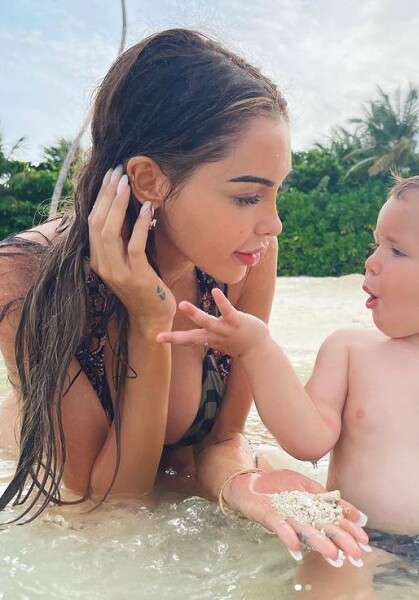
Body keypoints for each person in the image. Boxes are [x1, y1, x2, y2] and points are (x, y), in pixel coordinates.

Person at [0, 28, 369, 566]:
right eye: (247, 196)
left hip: (181, 467)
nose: (274, 224)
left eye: (276, 192)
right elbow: (108, 508)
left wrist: (238, 485)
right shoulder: (26, 279)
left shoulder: (247, 257)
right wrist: (150, 322)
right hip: (72, 487)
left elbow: (222, 438)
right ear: (149, 180)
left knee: (348, 555)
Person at [158, 171, 419, 584]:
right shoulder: (350, 352)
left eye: (396, 250)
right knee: (330, 569)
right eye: (377, 244)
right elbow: (306, 440)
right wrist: (257, 348)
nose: (371, 260)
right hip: (359, 539)